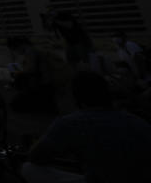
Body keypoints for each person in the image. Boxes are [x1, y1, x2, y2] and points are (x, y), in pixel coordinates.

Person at [22, 71, 151, 183]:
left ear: (76, 98)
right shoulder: (136, 121)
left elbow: (36, 157)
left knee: (29, 168)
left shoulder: (72, 122)